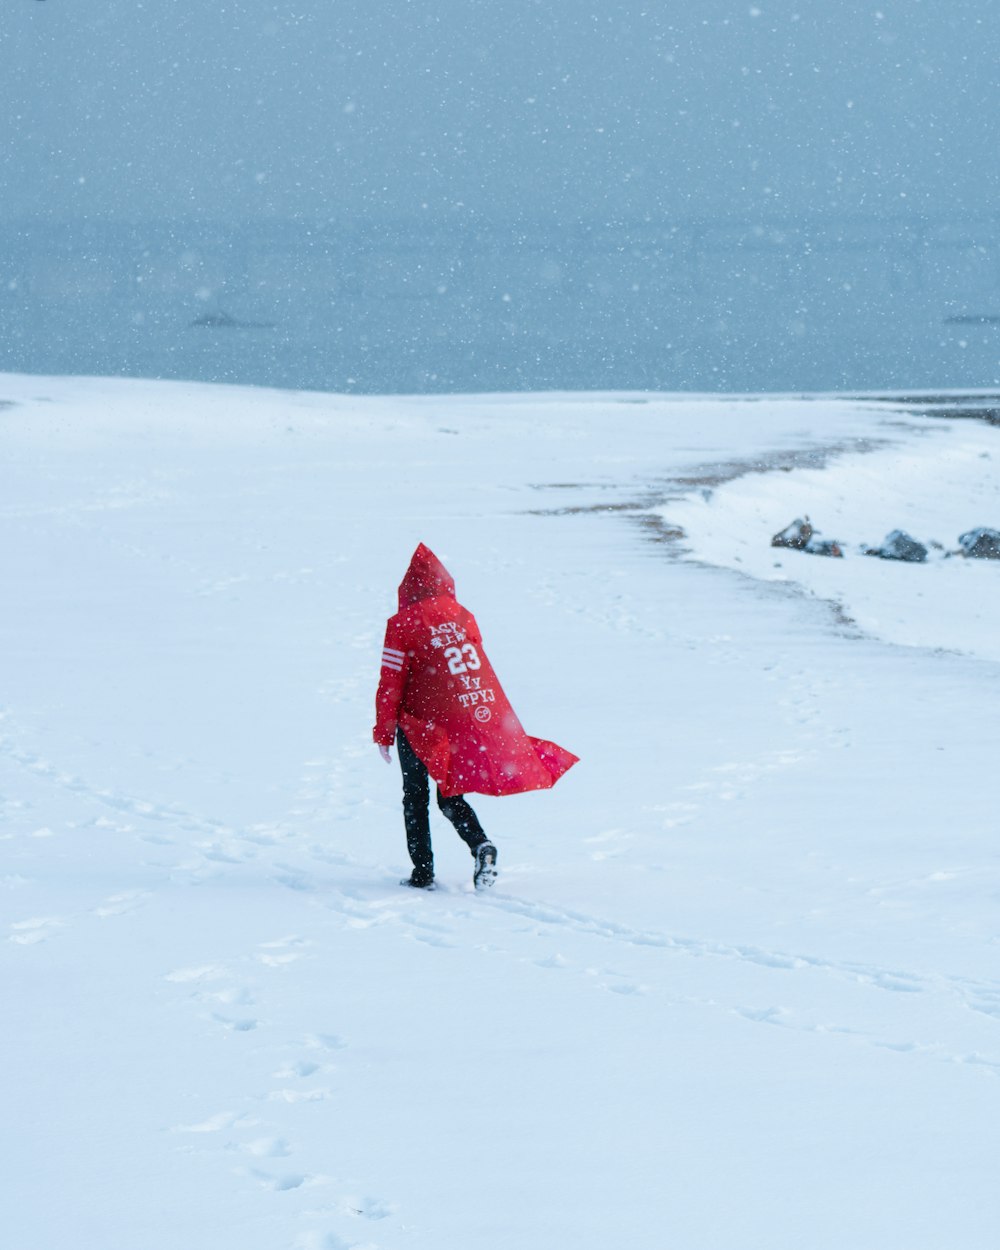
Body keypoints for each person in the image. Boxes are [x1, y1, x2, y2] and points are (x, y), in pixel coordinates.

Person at [374, 543, 578, 890]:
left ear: (407, 590)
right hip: (457, 720)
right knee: (449, 794)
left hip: (418, 723)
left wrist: (383, 732)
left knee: (415, 796)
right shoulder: (463, 616)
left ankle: (423, 873)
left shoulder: (402, 624)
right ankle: (481, 845)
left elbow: (391, 682)